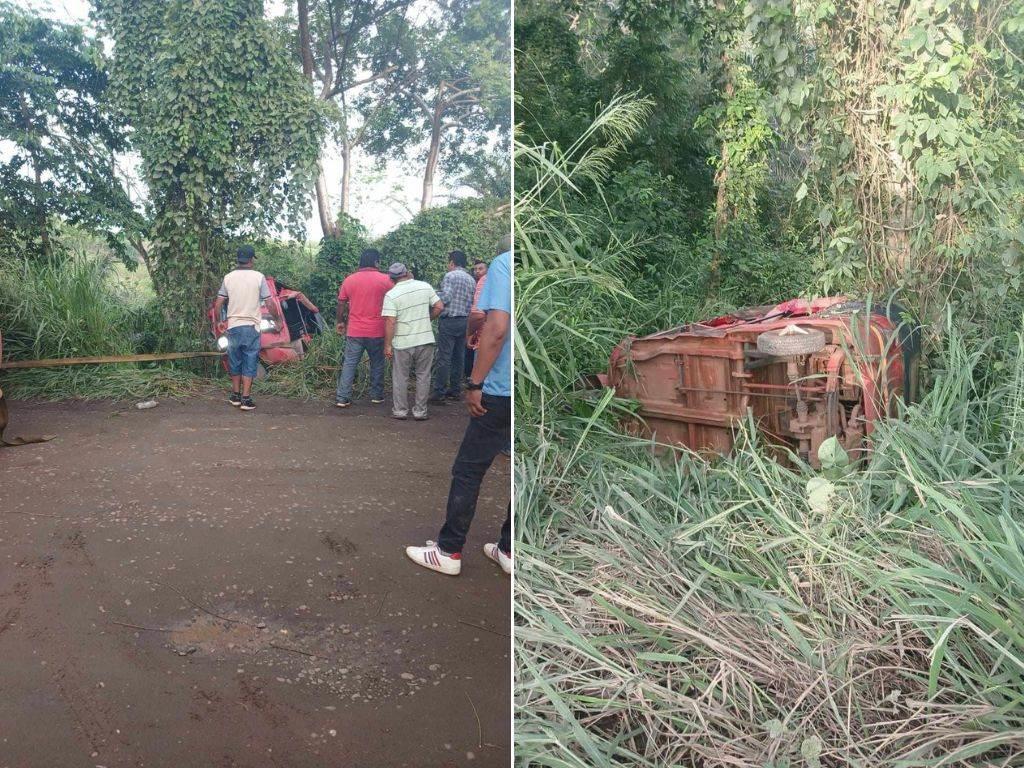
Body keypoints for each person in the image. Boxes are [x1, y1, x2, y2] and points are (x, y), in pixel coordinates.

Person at [406, 242, 512, 576]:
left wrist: (476, 383)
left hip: (502, 387)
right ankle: (510, 549)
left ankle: (449, 551)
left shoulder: (505, 264)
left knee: (468, 470)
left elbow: (495, 327)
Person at [213, 244, 284, 412]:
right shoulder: (258, 277)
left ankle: (235, 396)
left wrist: (220, 321)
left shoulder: (228, 277)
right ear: (251, 260)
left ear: (238, 260)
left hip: (234, 327)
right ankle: (246, 399)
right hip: (251, 327)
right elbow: (269, 303)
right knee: (250, 360)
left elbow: (218, 304)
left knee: (234, 361)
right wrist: (278, 320)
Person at [382, 263, 444, 421]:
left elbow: (390, 321)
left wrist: (388, 345)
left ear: (392, 278)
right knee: (423, 376)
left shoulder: (391, 294)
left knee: (400, 377)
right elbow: (439, 306)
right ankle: (420, 412)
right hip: (425, 340)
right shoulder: (425, 286)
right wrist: (427, 319)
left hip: (402, 343)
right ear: (407, 273)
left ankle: (400, 411)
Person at [334, 249, 393, 408]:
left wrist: (340, 322)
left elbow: (341, 303)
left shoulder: (349, 280)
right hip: (377, 331)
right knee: (377, 363)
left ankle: (342, 397)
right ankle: (376, 396)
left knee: (350, 364)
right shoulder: (386, 280)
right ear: (376, 262)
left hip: (355, 331)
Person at [430, 250, 476, 405]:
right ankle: (455, 390)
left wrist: (432, 295)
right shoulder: (471, 279)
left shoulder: (450, 276)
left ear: (452, 262)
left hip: (449, 321)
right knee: (459, 357)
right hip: (465, 321)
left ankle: (439, 392)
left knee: (444, 357)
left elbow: (446, 297)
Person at [464, 259, 489, 378]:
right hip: (486, 332)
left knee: (477, 380)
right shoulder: (481, 282)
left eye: (481, 269)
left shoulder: (483, 282)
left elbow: (478, 313)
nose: (477, 271)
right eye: (475, 269)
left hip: (482, 333)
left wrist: (470, 334)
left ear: (487, 270)